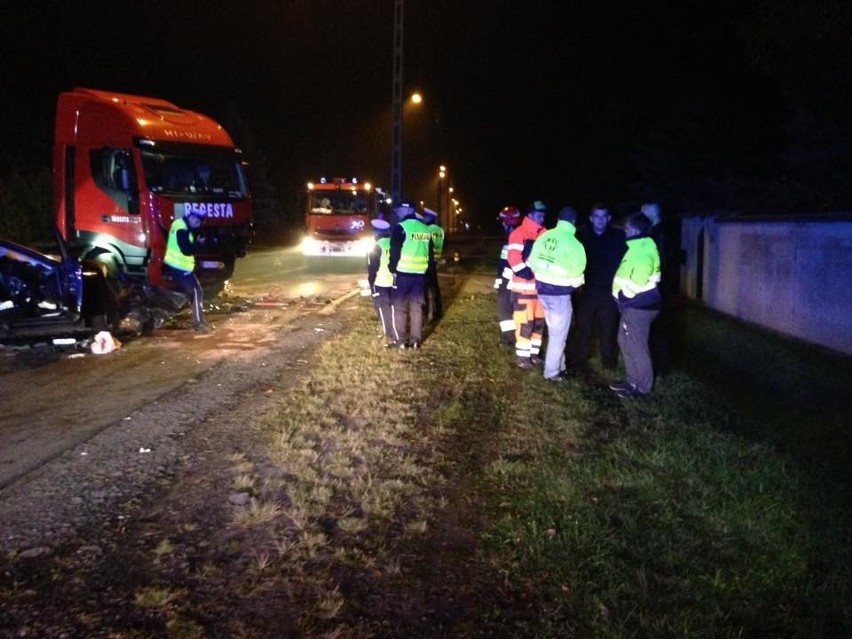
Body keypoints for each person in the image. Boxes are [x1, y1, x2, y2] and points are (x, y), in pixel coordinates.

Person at [528, 206, 586, 381]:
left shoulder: (544, 236)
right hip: (560, 296)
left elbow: (531, 262)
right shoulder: (574, 244)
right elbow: (577, 274)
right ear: (574, 222)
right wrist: (575, 283)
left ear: (559, 219)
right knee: (558, 336)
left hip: (542, 292)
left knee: (555, 332)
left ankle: (560, 366)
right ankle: (551, 373)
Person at [609, 212, 662, 398]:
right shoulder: (639, 247)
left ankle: (642, 388)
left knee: (637, 346)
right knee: (625, 341)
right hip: (633, 306)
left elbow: (637, 281)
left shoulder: (642, 251)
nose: (626, 231)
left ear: (637, 230)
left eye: (628, 228)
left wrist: (624, 295)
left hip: (637, 307)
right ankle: (632, 382)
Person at [570, 204, 626, 371]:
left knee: (608, 328)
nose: (600, 220)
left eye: (604, 216)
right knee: (583, 327)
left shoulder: (618, 236)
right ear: (591, 218)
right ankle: (580, 360)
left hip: (610, 290)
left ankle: (608, 363)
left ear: (609, 218)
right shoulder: (581, 236)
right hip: (586, 290)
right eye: (597, 216)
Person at [388, 200, 434, 349]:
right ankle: (415, 341)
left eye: (399, 210)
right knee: (416, 307)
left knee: (400, 307)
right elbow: (431, 256)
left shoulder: (401, 228)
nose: (398, 213)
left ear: (406, 210)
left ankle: (400, 341)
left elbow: (395, 252)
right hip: (420, 274)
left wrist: (392, 268)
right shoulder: (426, 229)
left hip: (403, 273)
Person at [507, 204, 547, 369]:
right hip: (523, 289)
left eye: (543, 215)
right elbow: (514, 259)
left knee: (539, 324)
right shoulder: (519, 233)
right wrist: (529, 274)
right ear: (530, 214)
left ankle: (534, 355)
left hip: (541, 290)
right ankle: (523, 358)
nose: (542, 218)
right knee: (525, 324)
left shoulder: (545, 234)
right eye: (538, 215)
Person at [163, 207, 213, 333]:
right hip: (179, 266)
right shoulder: (182, 229)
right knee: (196, 292)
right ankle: (198, 324)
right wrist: (199, 244)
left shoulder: (180, 224)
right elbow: (186, 250)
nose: (198, 225)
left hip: (180, 266)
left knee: (196, 293)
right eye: (197, 222)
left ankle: (199, 321)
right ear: (192, 218)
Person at [641, 202, 673, 376]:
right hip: (660, 287)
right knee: (656, 328)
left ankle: (660, 366)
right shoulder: (658, 232)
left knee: (658, 328)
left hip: (658, 288)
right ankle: (659, 364)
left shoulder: (658, 234)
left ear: (653, 214)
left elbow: (659, 262)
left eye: (643, 213)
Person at [495, 205, 522, 347]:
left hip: (511, 280)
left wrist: (504, 279)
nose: (502, 224)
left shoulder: (513, 237)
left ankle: (510, 339)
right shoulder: (513, 236)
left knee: (505, 308)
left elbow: (511, 262)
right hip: (509, 279)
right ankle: (512, 337)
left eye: (503, 221)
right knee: (509, 308)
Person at [366, 218, 394, 344]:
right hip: (394, 281)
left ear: (375, 233)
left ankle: (387, 336)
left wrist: (372, 286)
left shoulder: (377, 247)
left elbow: (372, 269)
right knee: (393, 309)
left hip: (381, 281)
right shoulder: (393, 243)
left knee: (383, 309)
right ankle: (394, 332)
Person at [421, 207, 444, 321]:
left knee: (424, 288)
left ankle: (425, 312)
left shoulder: (427, 229)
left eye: (425, 216)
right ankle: (438, 311)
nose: (424, 218)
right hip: (436, 262)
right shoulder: (440, 230)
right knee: (435, 288)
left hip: (427, 262)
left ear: (429, 218)